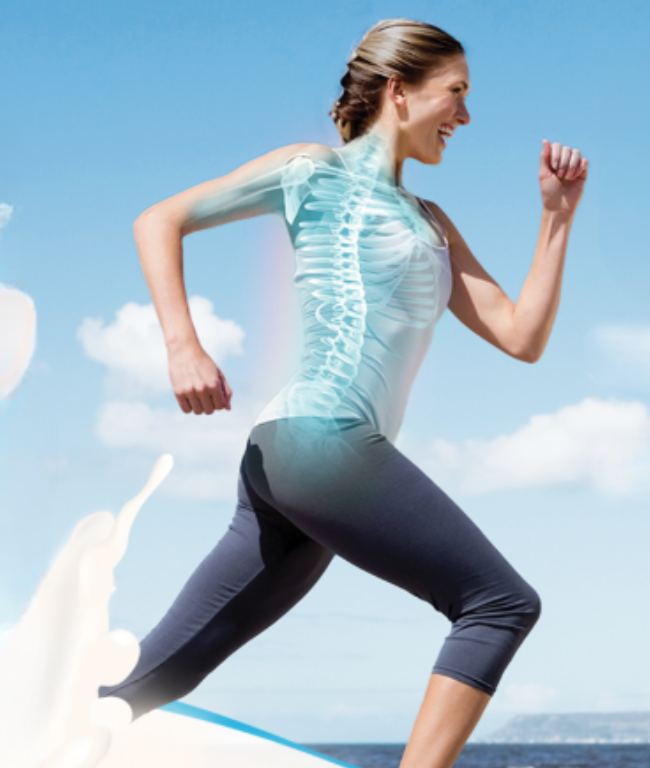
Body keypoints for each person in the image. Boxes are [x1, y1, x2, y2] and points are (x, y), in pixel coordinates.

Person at [100, 18, 588, 768]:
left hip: (301, 465)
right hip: (317, 440)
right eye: (454, 94)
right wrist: (182, 344)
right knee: (499, 604)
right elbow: (159, 219)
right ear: (400, 91)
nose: (465, 116)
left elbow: (521, 336)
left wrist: (556, 219)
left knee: (161, 676)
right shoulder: (311, 171)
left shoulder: (432, 223)